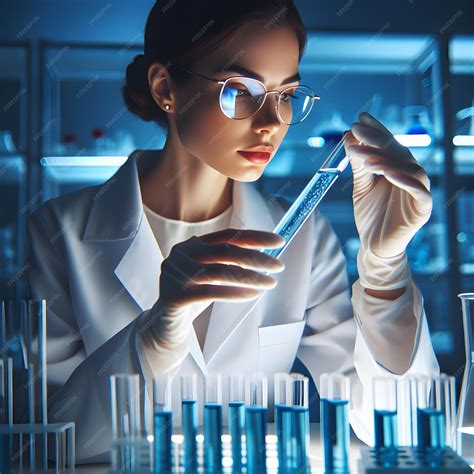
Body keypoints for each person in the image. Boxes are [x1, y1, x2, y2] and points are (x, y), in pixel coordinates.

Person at [25, 0, 439, 463]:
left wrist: (385, 272)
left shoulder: (304, 239)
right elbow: (42, 442)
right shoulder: (59, 231)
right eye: (240, 89)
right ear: (166, 88)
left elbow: (403, 432)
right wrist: (154, 336)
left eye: (286, 95)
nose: (270, 123)